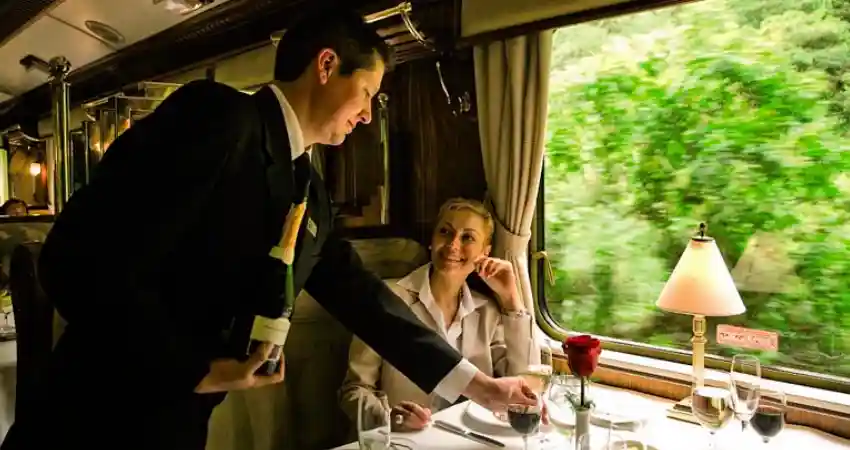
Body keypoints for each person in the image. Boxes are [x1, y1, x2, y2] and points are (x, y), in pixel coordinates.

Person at [1, 7, 536, 450]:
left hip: (179, 423)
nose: (369, 116)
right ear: (326, 65)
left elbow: (364, 300)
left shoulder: (311, 193)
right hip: (93, 413)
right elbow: (72, 260)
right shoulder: (217, 119)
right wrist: (196, 370)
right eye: (368, 92)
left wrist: (482, 386)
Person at [339, 198, 540, 432]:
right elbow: (353, 391)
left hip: (470, 440)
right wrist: (388, 418)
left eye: (468, 237)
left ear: (485, 252)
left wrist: (512, 299)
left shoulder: (488, 311)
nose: (453, 245)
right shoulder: (386, 301)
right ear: (432, 241)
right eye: (445, 232)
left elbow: (525, 384)